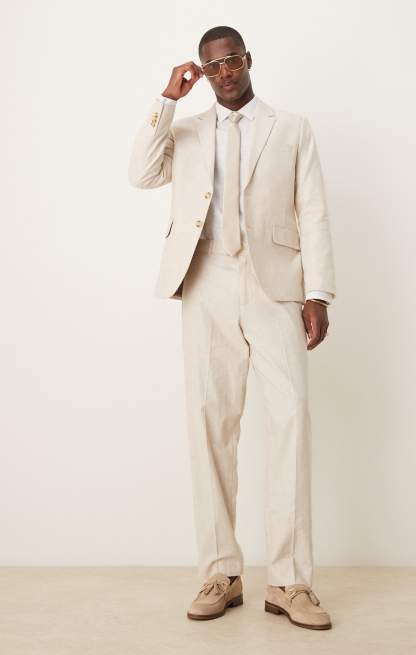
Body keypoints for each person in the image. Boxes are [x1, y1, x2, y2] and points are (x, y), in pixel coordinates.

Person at [128, 25, 336, 630]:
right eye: (213, 65)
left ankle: (290, 582)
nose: (225, 72)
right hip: (206, 279)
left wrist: (318, 292)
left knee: (291, 417)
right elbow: (141, 173)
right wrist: (167, 98)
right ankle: (220, 571)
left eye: (233, 60)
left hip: (275, 285)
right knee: (210, 423)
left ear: (248, 60)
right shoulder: (187, 130)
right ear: (203, 70)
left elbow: (313, 209)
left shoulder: (290, 127)